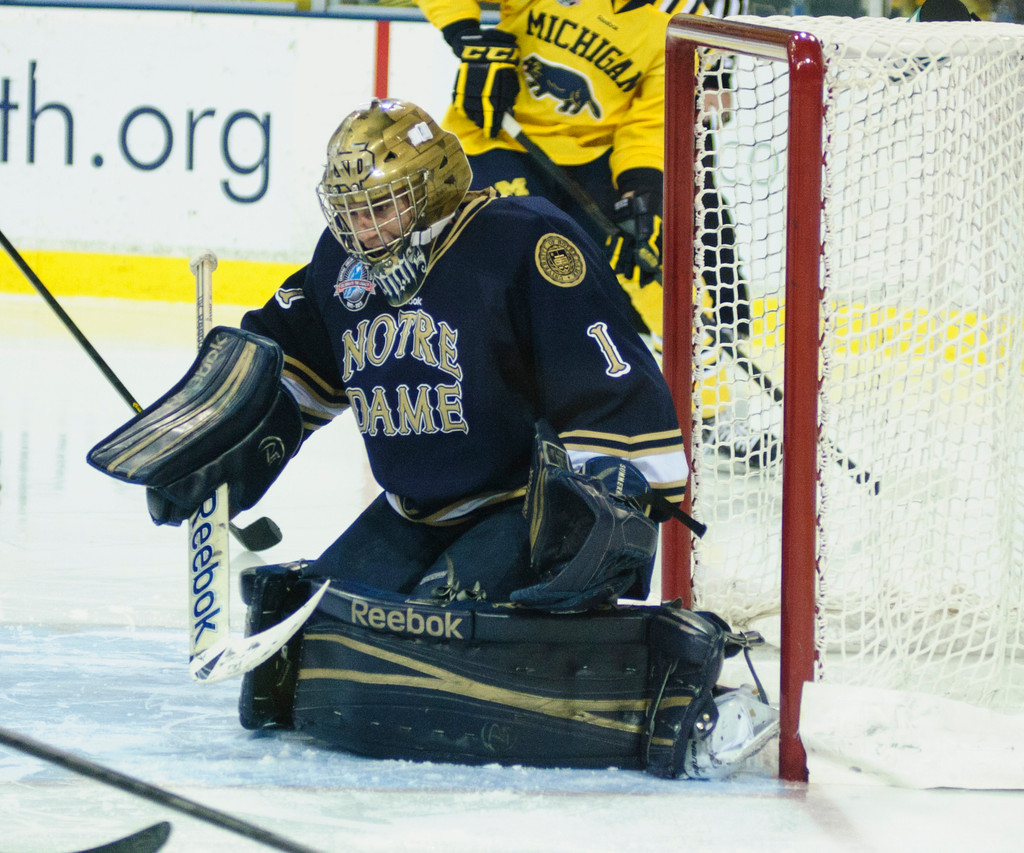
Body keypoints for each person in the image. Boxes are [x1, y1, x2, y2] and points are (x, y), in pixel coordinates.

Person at [87, 98, 777, 778]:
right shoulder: (343, 265)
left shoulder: (521, 243)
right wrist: (217, 445)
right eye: (350, 211)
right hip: (412, 512)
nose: (363, 228)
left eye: (381, 207)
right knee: (315, 631)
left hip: (523, 509)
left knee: (427, 645)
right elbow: (289, 368)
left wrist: (613, 505)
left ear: (435, 188)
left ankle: (695, 697)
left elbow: (609, 380)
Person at [416, 0, 776, 468]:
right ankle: (461, 401)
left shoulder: (682, 13)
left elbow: (650, 118)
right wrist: (464, 30)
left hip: (594, 158)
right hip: (497, 137)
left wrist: (641, 187)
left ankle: (709, 408)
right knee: (488, 264)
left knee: (655, 264)